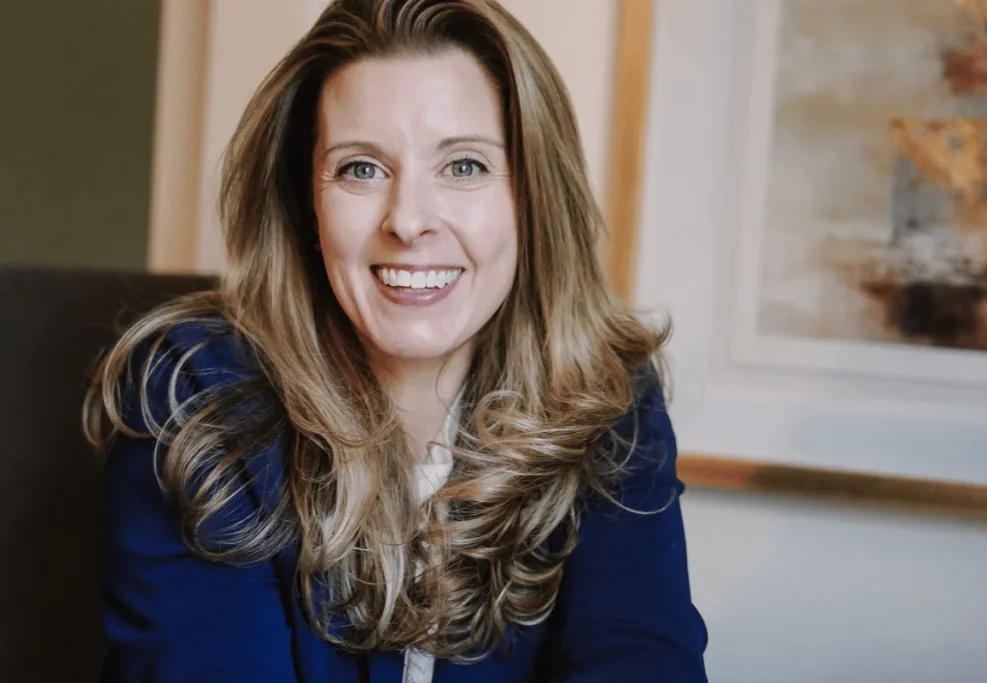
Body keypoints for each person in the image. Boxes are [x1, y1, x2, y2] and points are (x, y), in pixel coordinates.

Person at [84, 0, 709, 680]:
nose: (408, 220)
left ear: (533, 199)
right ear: (308, 204)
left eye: (464, 166)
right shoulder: (194, 392)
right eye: (361, 168)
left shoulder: (607, 393)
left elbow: (640, 659)